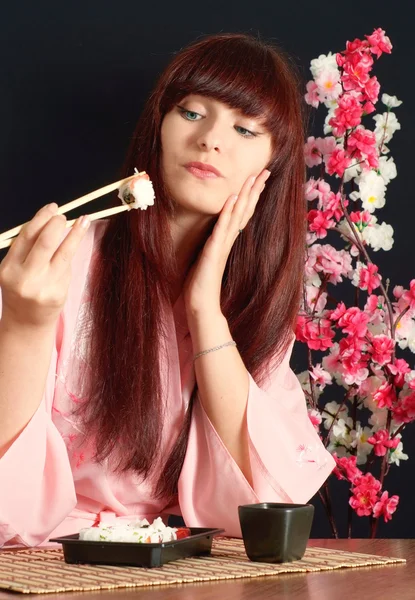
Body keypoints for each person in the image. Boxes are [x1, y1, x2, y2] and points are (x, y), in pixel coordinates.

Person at [0, 32, 335, 548]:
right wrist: (24, 324)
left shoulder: (253, 295)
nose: (211, 140)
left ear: (274, 167)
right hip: (46, 557)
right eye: (193, 113)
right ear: (159, 126)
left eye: (245, 129)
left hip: (177, 562)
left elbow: (265, 504)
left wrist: (205, 308)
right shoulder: (62, 263)